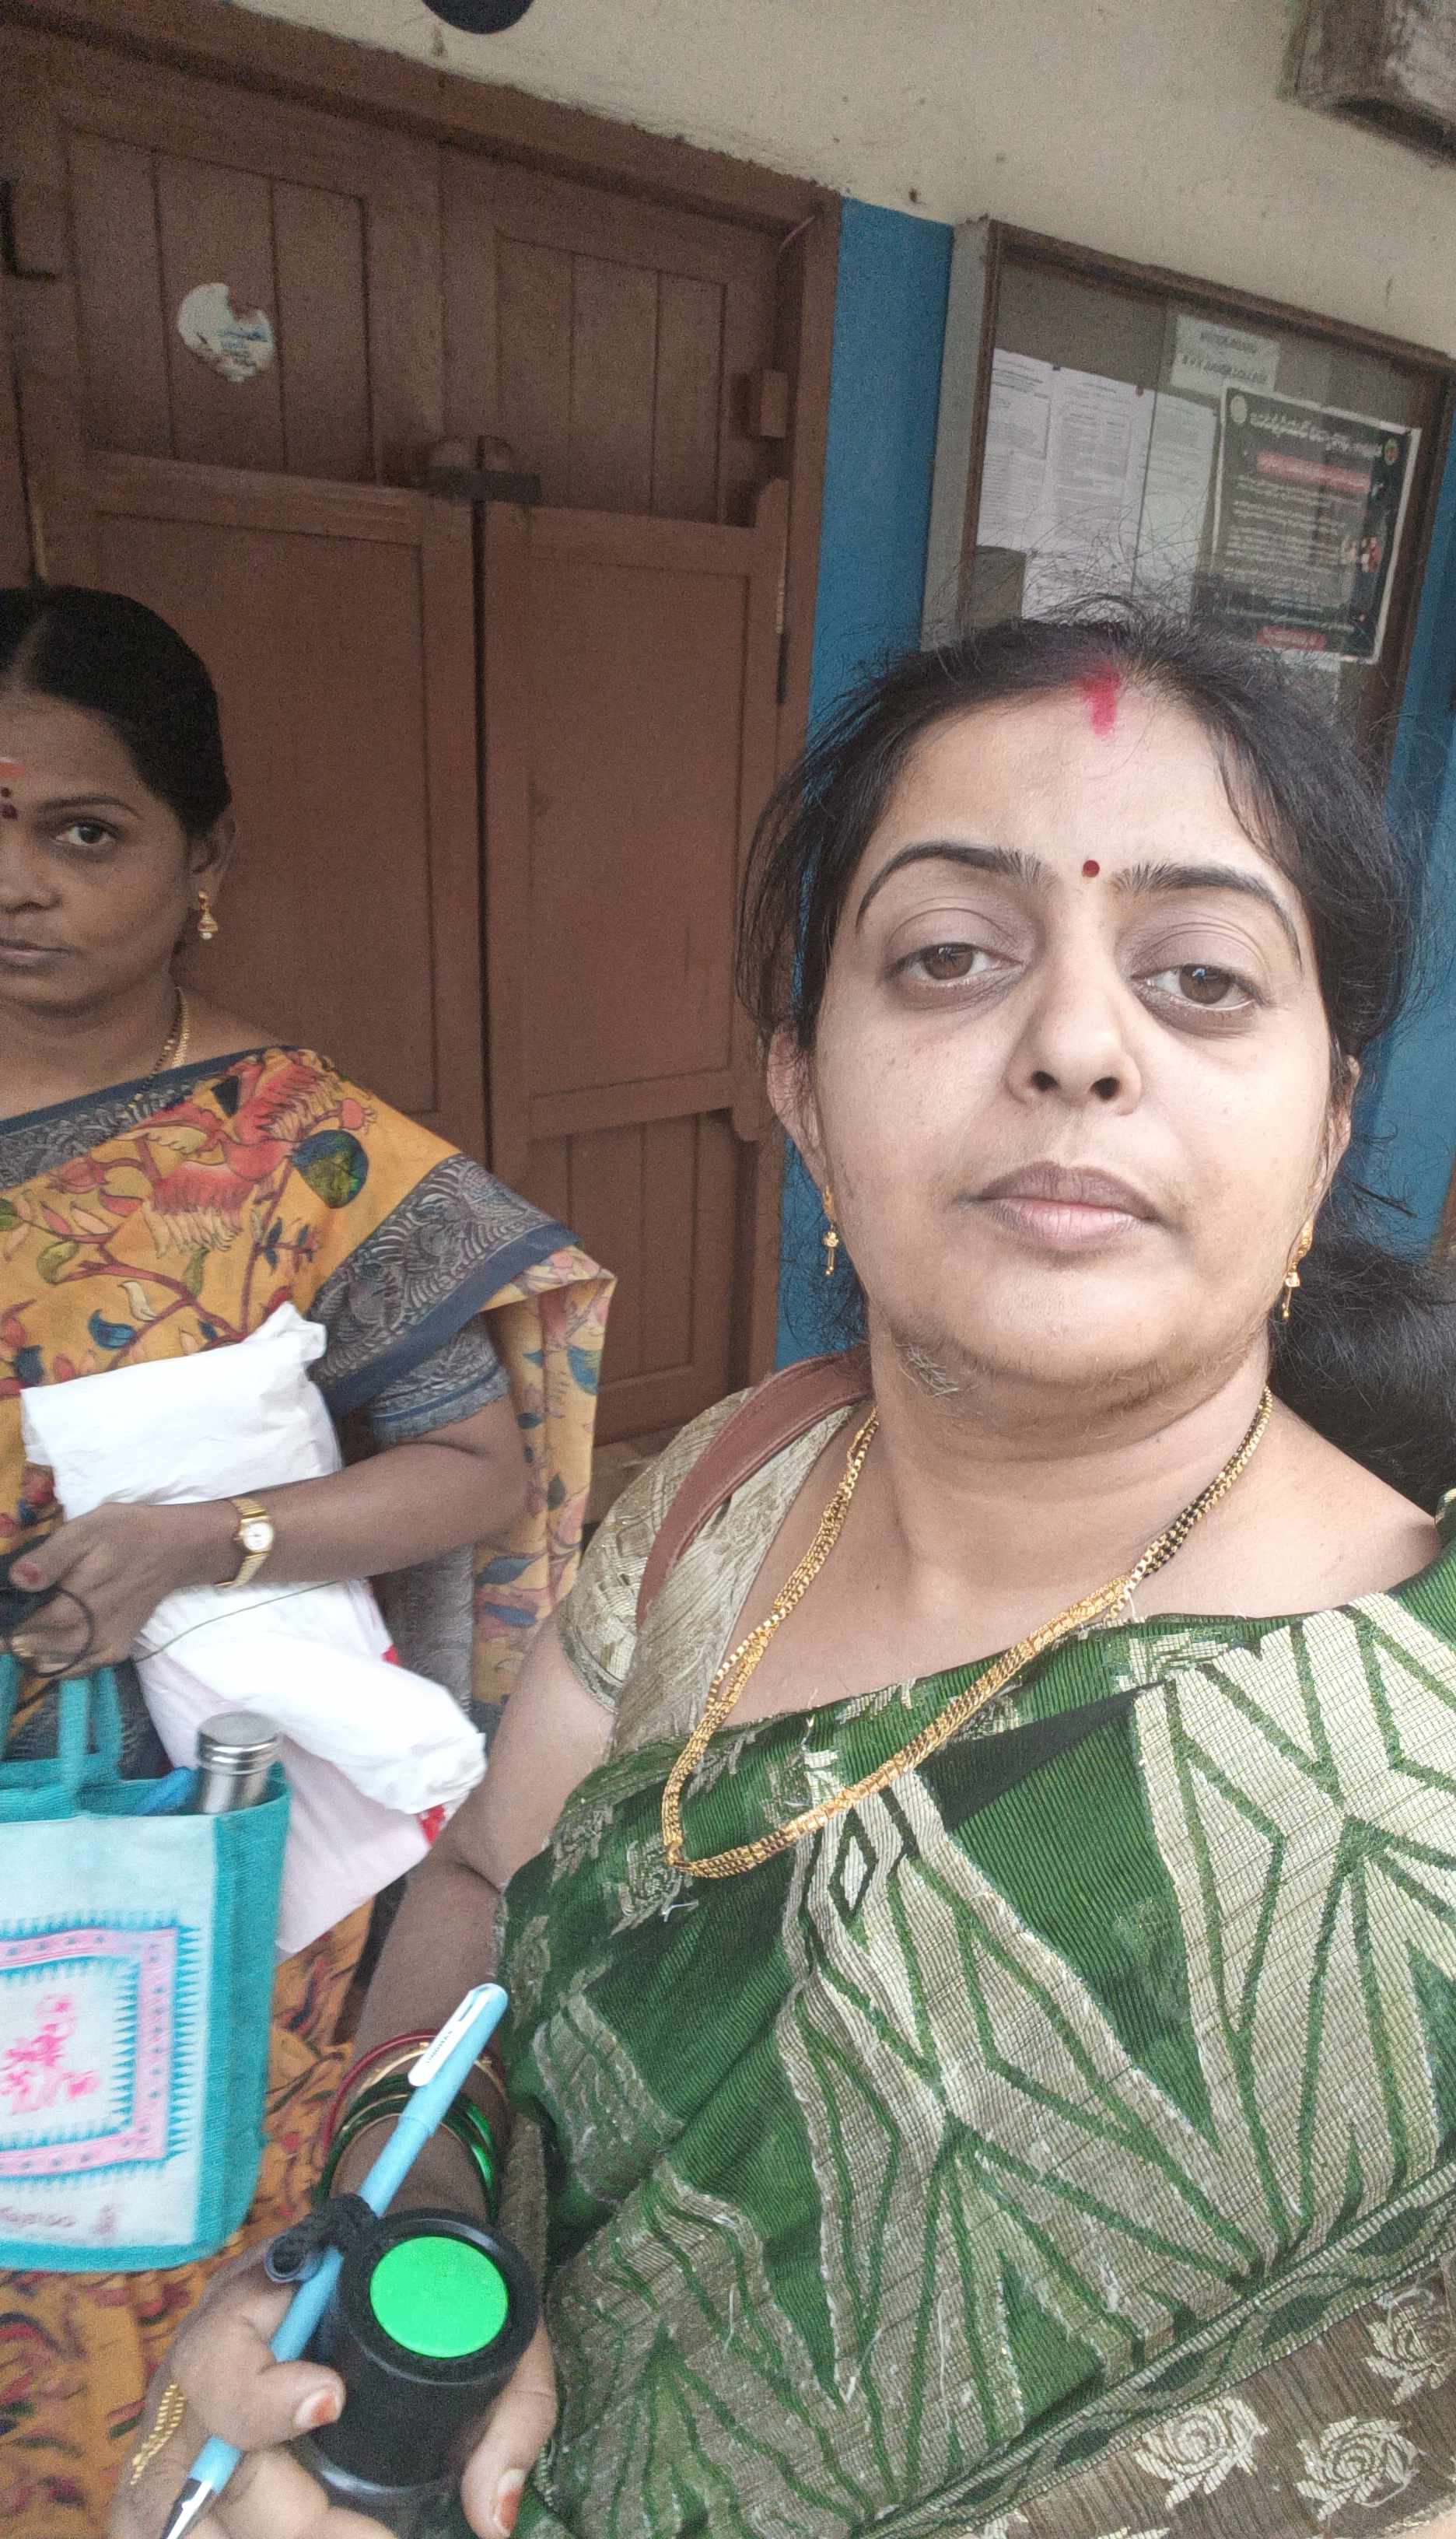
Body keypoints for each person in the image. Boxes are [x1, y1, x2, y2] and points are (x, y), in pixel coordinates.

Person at [110, 609, 1456, 2539]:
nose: (1074, 1046)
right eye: (951, 955)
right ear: (804, 1093)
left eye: (1202, 979)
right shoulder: (731, 1485)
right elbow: (477, 1881)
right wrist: (408, 2233)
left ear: (1328, 1127)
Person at [0, 585, 611, 2537]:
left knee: (139, 2268)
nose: (17, 883)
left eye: (83, 831)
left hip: (180, 1865)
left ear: (201, 864)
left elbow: (474, 1471)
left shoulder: (296, 1158)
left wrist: (203, 1539)